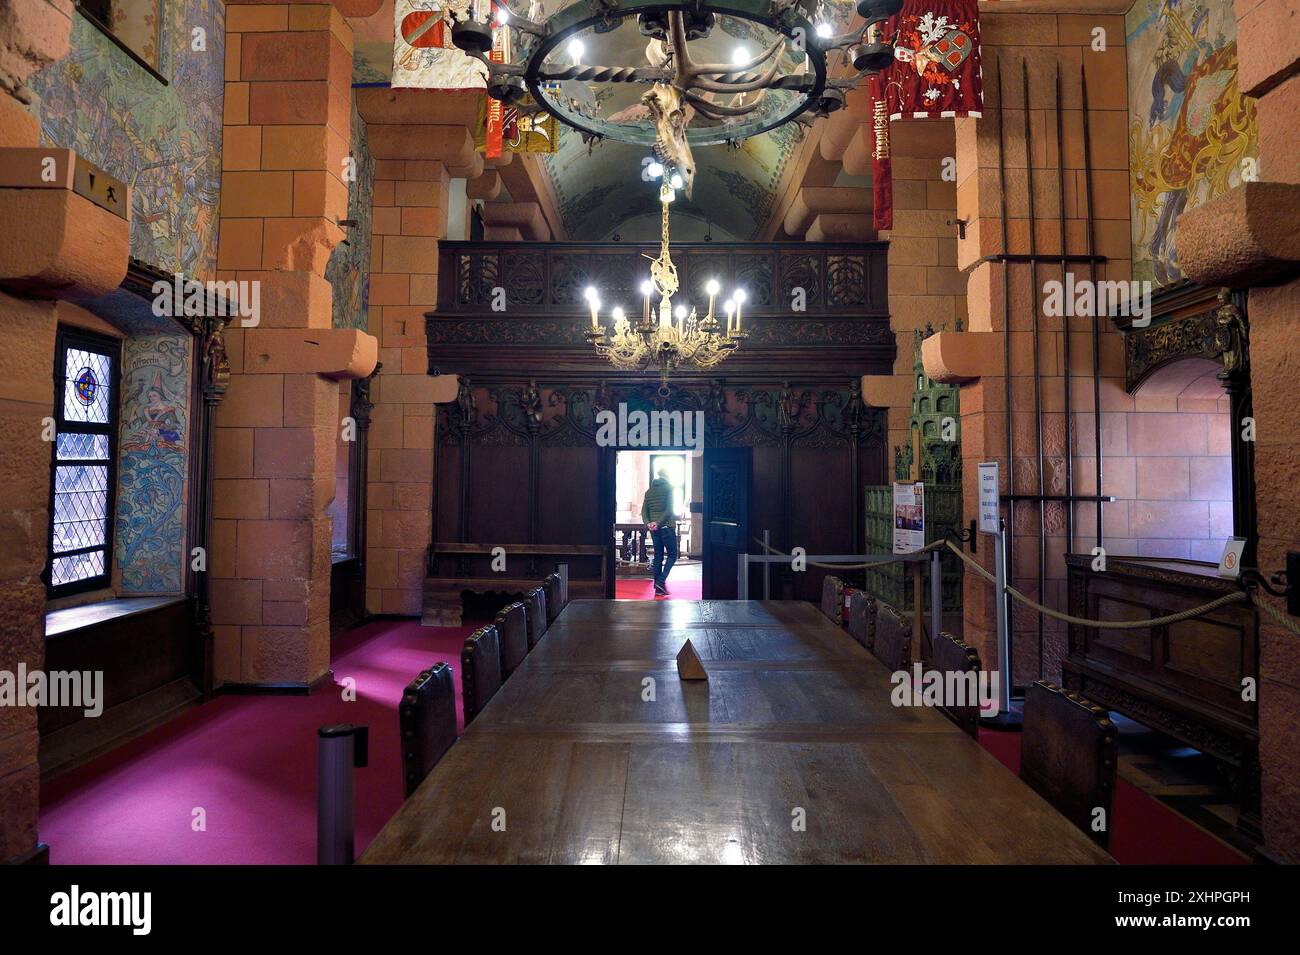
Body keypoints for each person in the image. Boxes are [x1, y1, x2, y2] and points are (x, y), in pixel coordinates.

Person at [640, 467, 678, 596]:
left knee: (658, 556)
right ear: (667, 475)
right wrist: (659, 523)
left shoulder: (649, 491)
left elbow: (643, 511)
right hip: (666, 527)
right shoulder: (669, 488)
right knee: (673, 555)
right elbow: (669, 510)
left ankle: (658, 588)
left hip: (654, 529)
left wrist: (649, 523)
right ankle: (660, 582)